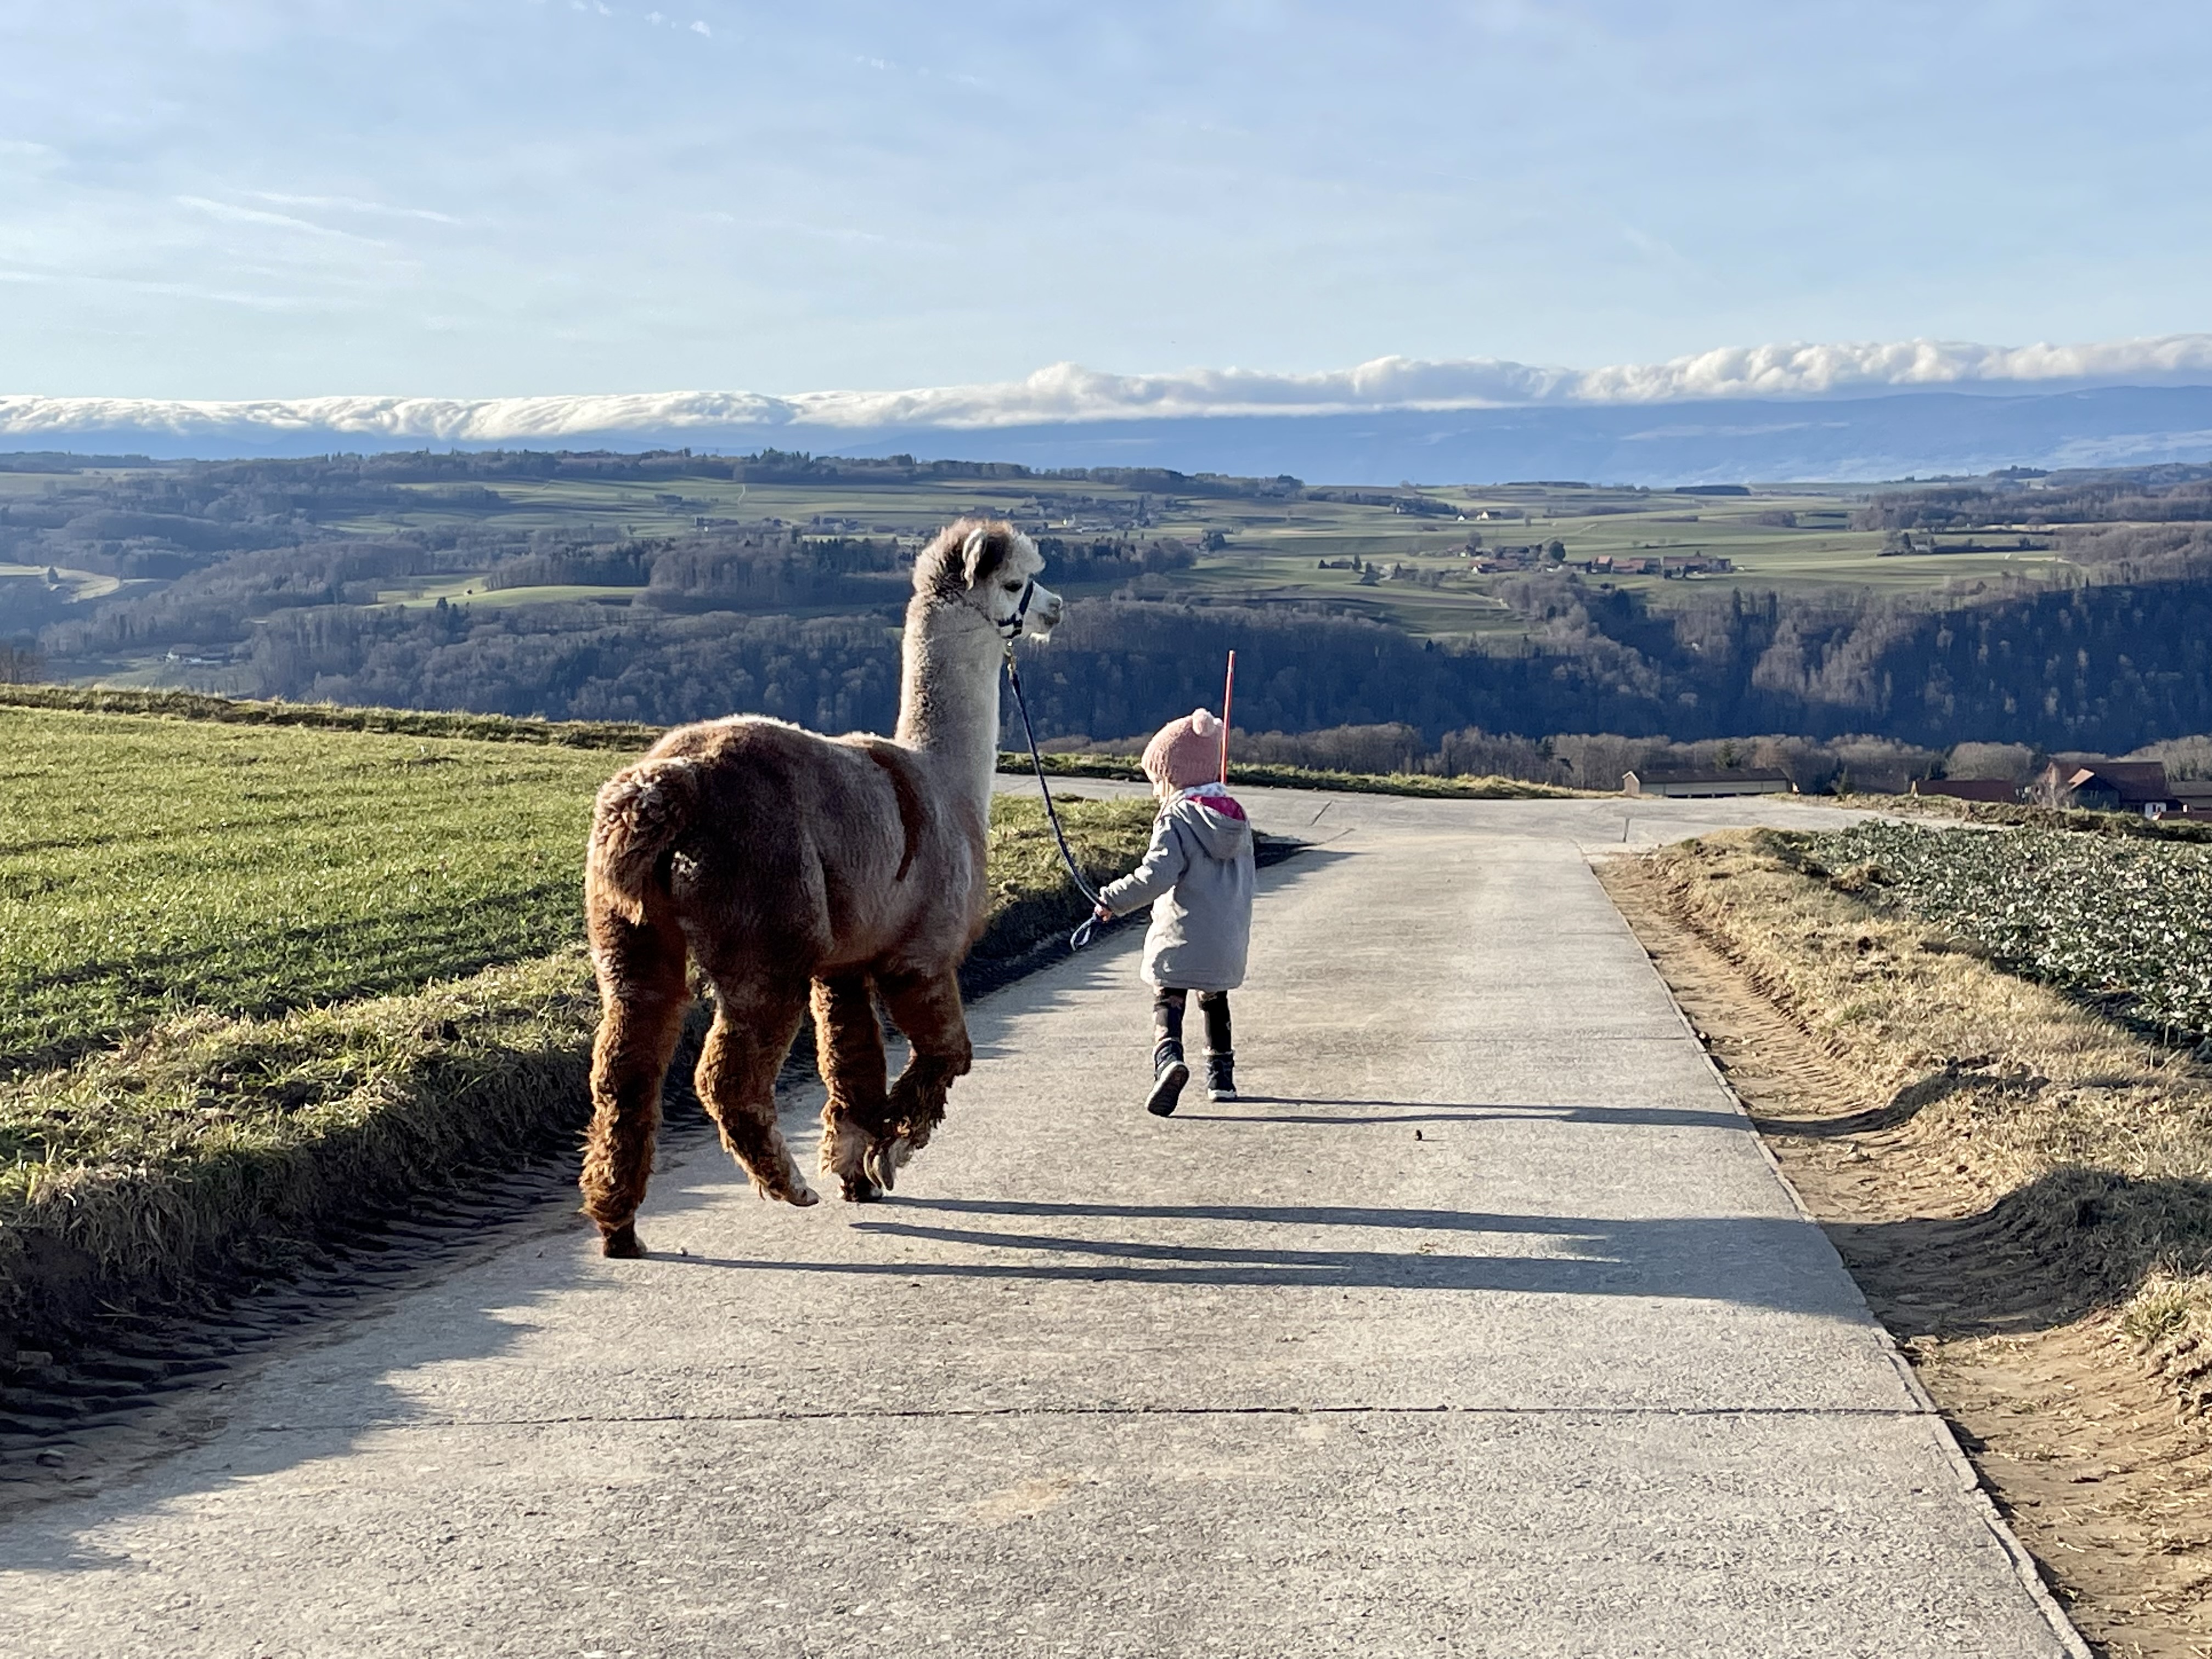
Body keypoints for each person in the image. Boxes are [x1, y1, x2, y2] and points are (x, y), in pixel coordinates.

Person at [1091, 708, 1256, 1116]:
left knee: (1169, 993)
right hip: (1229, 935)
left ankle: (1168, 1060)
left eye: (1158, 781)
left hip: (1182, 930)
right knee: (1214, 997)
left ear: (1177, 776)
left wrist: (1112, 898)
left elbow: (1156, 876)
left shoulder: (1177, 816)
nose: (1155, 792)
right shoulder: (1236, 817)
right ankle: (1222, 1078)